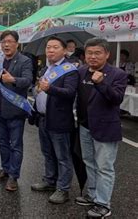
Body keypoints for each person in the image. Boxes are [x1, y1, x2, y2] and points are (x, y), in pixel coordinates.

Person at [74, 38, 127, 218]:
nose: (93, 57)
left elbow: (117, 99)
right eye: (89, 53)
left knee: (104, 167)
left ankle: (103, 204)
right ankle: (92, 194)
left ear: (107, 54)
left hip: (106, 128)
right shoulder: (81, 71)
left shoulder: (117, 74)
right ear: (85, 55)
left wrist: (101, 83)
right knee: (89, 162)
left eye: (98, 53)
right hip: (85, 126)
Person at [31, 37, 79, 204]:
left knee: (62, 156)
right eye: (48, 47)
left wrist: (50, 88)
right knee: (47, 153)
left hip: (59, 119)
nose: (50, 50)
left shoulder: (70, 70)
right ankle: (50, 180)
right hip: (43, 118)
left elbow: (70, 93)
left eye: (55, 47)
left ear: (64, 50)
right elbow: (39, 91)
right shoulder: (46, 68)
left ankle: (63, 189)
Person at [0, 30, 33, 191]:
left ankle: (14, 176)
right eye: (3, 42)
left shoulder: (25, 61)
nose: (6, 45)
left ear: (17, 43)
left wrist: (13, 79)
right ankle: (5, 169)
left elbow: (28, 81)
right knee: (2, 142)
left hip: (15, 111)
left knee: (15, 144)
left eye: (9, 41)